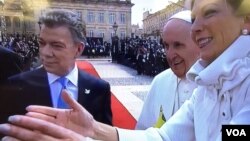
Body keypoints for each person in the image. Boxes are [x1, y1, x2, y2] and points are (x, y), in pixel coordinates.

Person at [1, 0, 250, 140]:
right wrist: (95, 131)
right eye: (194, 18)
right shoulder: (207, 85)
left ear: (246, 19)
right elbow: (162, 138)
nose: (197, 27)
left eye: (210, 13)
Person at [0, 9, 112, 137]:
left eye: (57, 45)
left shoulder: (99, 88)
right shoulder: (16, 85)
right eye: (42, 43)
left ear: (79, 49)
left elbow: (105, 136)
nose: (45, 53)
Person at [136, 10, 199, 129]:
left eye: (178, 45)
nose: (170, 55)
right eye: (166, 46)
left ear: (198, 43)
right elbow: (144, 130)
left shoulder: (216, 84)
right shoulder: (160, 81)